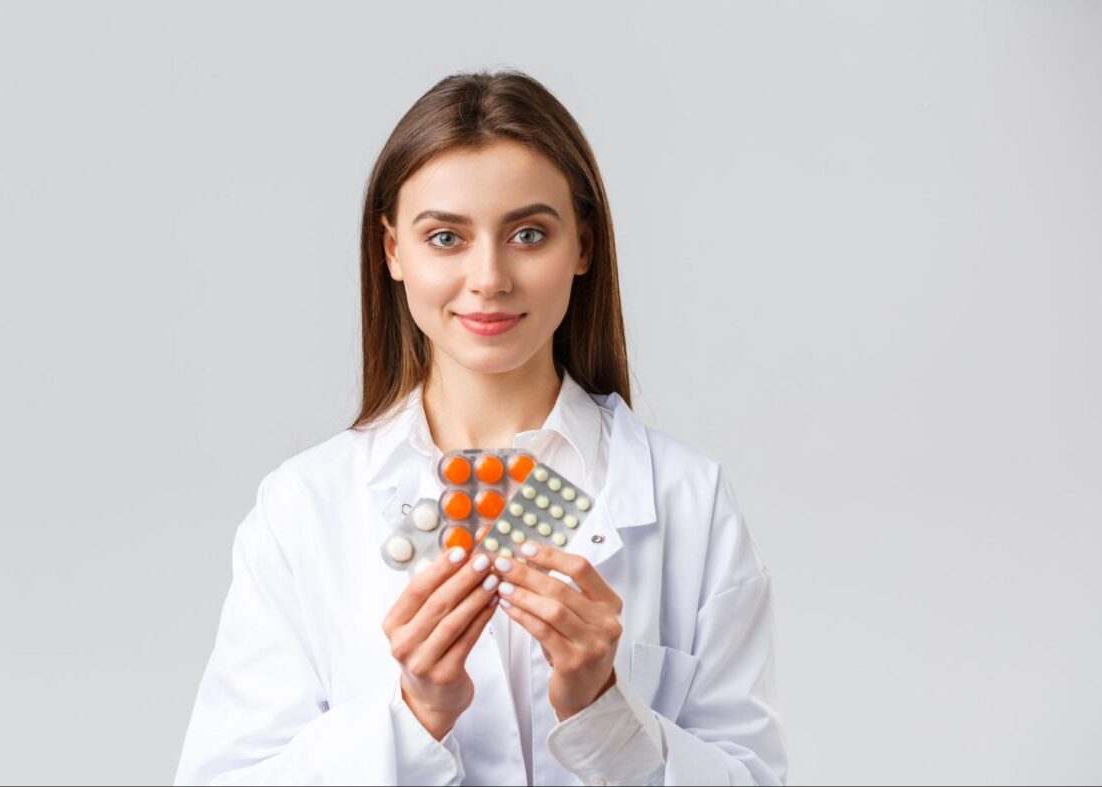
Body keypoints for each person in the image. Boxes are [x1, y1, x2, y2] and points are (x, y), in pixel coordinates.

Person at [174, 68, 788, 786]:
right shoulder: (304, 508)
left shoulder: (690, 499)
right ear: (392, 250)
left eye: (529, 233)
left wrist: (605, 713)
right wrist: (411, 716)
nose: (489, 276)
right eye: (445, 237)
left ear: (582, 247)